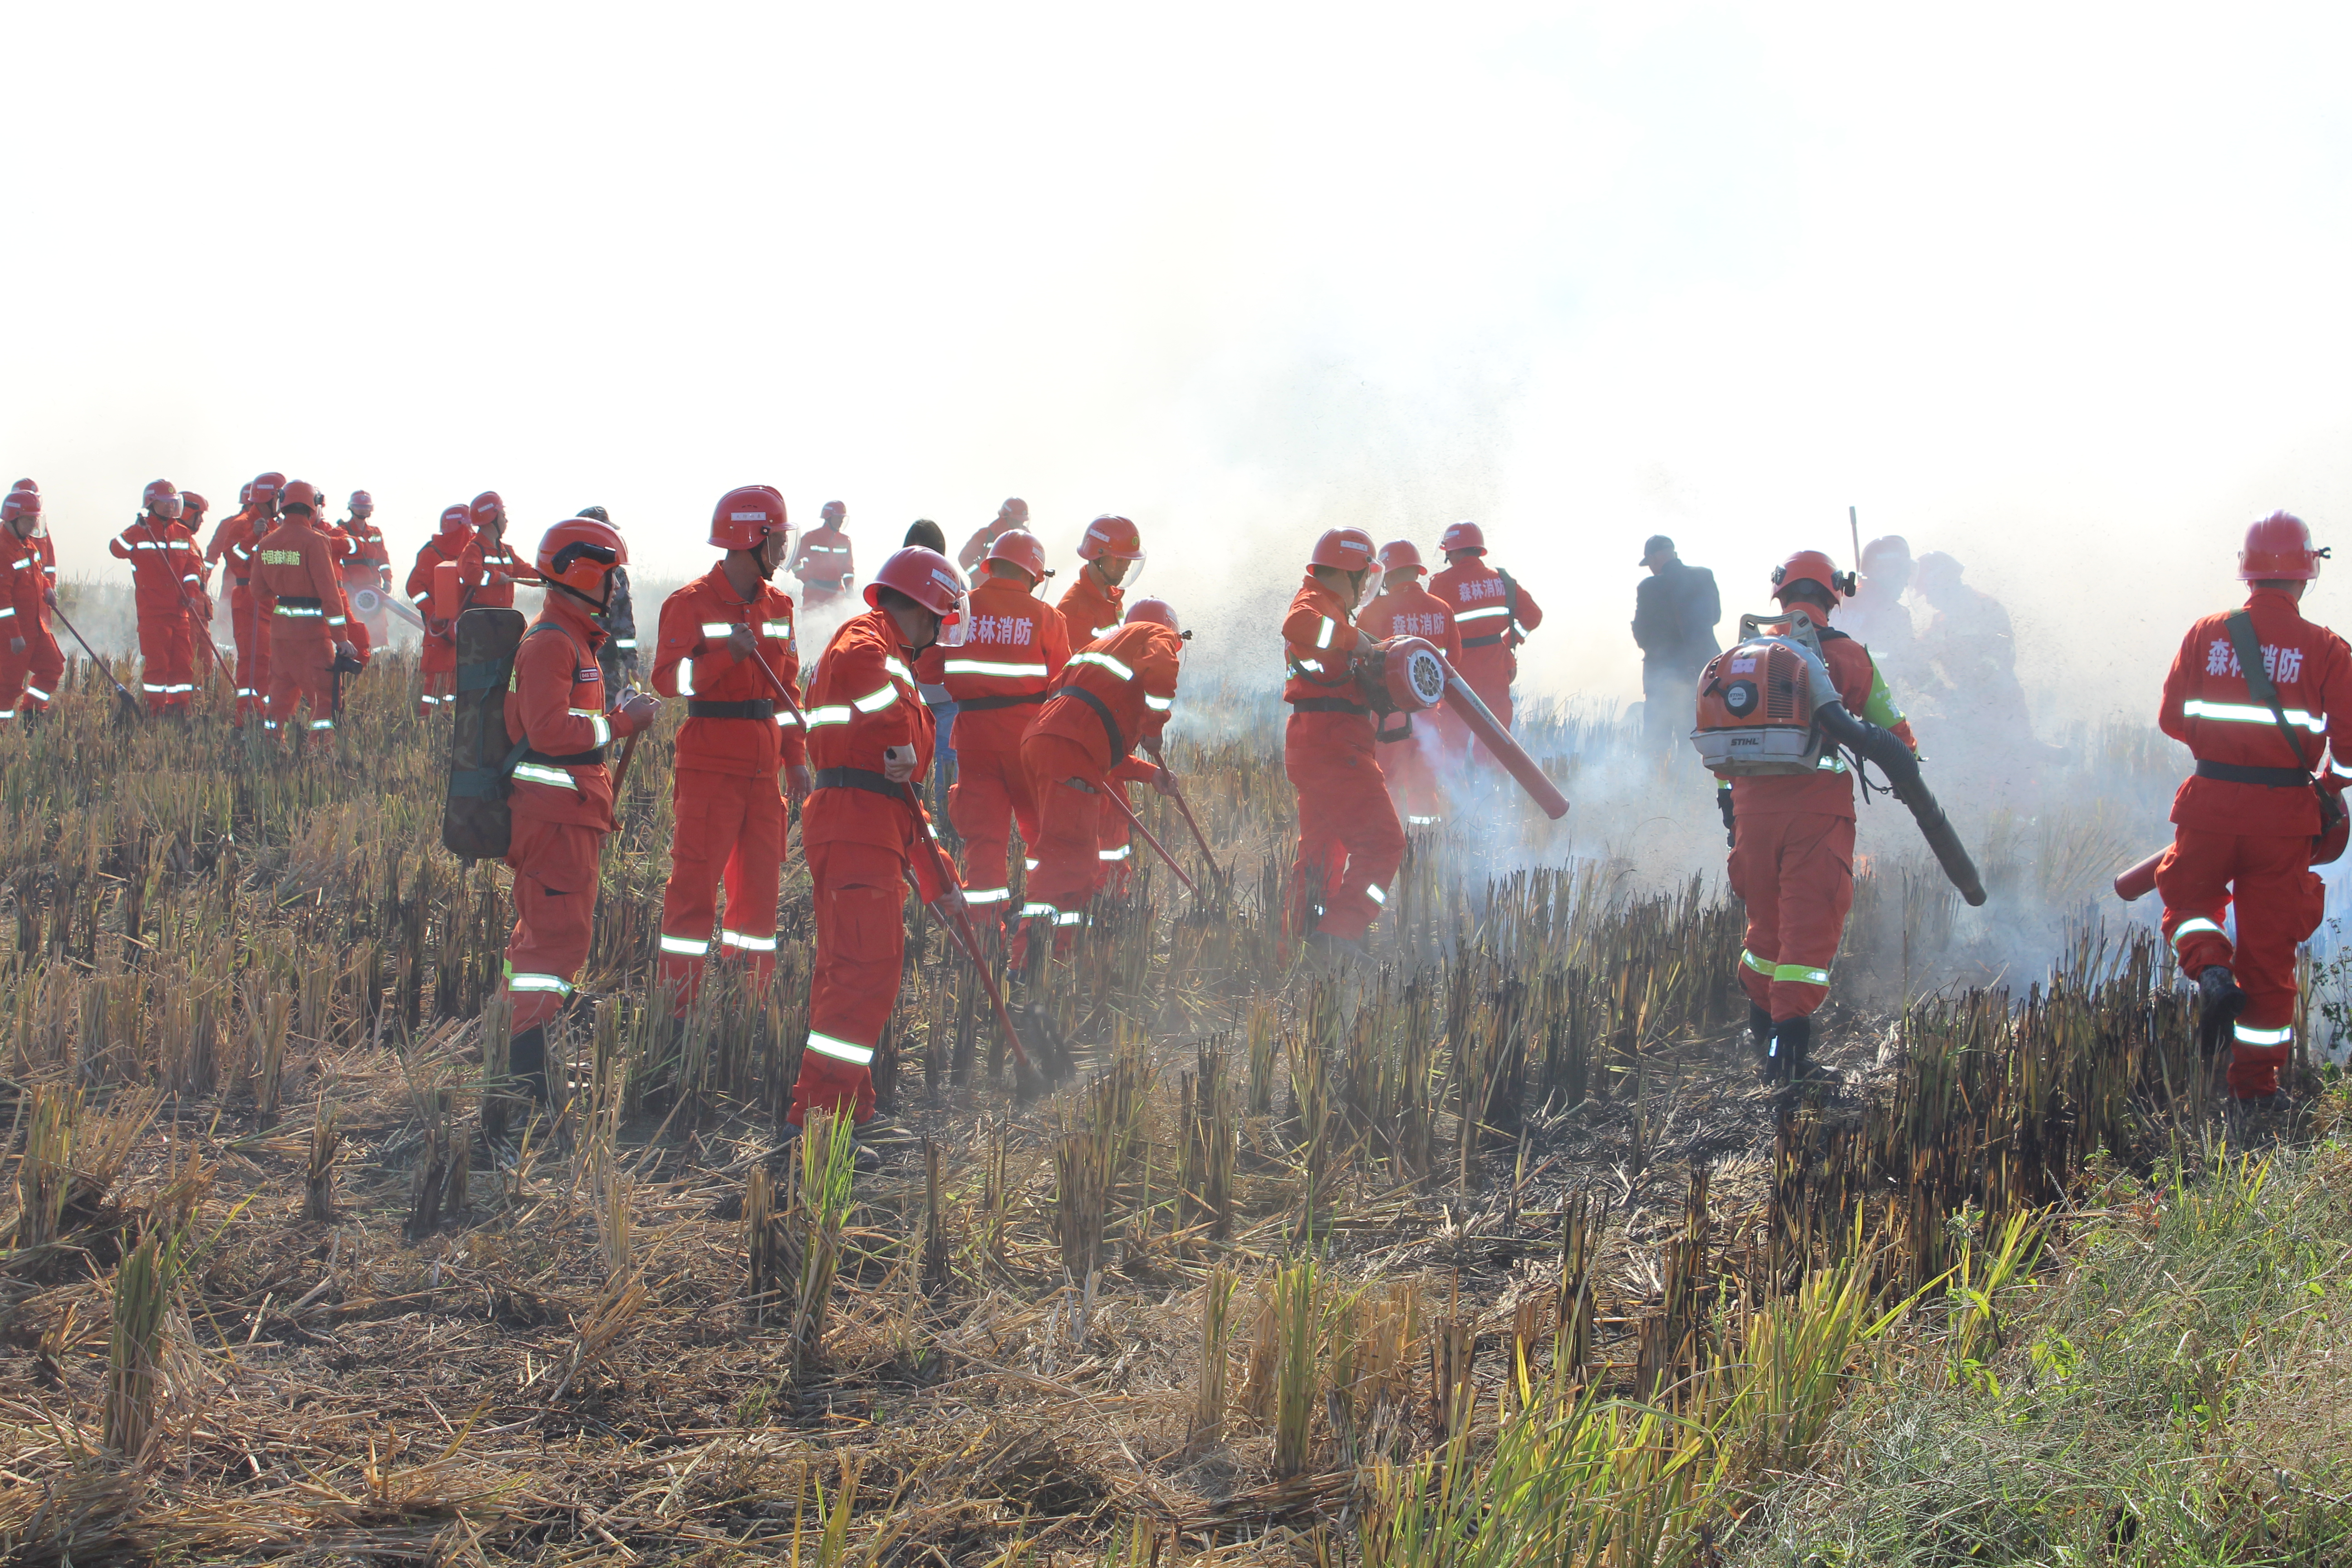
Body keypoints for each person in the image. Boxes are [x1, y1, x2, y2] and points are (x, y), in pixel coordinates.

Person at [2156, 512, 2352, 1116]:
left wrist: (2222, 754)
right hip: (2286, 819)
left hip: (2211, 803)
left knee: (2188, 903)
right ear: (2306, 574)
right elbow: (2349, 744)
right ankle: (2256, 1093)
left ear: (2247, 571)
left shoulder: (2206, 634)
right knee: (2269, 957)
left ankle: (2211, 967)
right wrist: (2332, 783)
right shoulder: (2326, 649)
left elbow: (2172, 719)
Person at [788, 546, 971, 1138]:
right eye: (942, 617)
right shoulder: (868, 643)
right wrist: (899, 737)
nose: (941, 630)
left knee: (852, 976)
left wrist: (940, 878)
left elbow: (904, 799)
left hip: (867, 823)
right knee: (864, 976)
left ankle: (849, 1109)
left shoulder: (890, 655)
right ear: (926, 608)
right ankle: (818, 1122)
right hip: (854, 823)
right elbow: (888, 746)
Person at [1728, 550, 1918, 1081]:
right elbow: (1890, 727)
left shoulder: (1744, 657)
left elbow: (1722, 734)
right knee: (1809, 925)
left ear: (1780, 595)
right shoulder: (1846, 654)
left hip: (1749, 810)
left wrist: (1731, 805)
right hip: (1814, 811)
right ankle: (1790, 1055)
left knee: (1764, 921)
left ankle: (1761, 1031)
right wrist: (1909, 764)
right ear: (1834, 594)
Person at [490, 514, 660, 1100]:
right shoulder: (550, 644)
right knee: (554, 944)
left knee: (544, 938)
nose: (617, 589)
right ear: (584, 574)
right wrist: (620, 723)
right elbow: (548, 729)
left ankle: (522, 1055)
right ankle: (527, 1081)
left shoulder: (572, 641)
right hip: (553, 820)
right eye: (611, 577)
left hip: (567, 817)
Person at [650, 486, 810, 1011]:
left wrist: (796, 760)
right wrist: (725, 659)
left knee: (759, 900)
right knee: (694, 892)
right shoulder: (691, 603)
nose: (784, 552)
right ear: (752, 539)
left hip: (764, 769)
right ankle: (679, 1010)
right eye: (778, 540)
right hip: (710, 764)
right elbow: (669, 681)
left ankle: (750, 1004)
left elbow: (788, 693)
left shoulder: (780, 607)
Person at [1014, 598, 1182, 970]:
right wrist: (1154, 728)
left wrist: (1151, 774)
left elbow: (1091, 737)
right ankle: (1031, 963)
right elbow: (1161, 673)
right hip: (1070, 748)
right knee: (1068, 860)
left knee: (1067, 853)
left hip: (1042, 742)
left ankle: (1056, 953)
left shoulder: (1099, 649)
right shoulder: (1156, 635)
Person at [1282, 528, 1407, 961]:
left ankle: (1300, 943)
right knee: (1384, 845)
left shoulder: (1330, 610)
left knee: (1321, 853)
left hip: (1316, 743)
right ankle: (1342, 934)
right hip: (1335, 746)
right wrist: (1360, 644)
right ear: (1352, 573)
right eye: (1364, 579)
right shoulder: (1313, 605)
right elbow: (1296, 626)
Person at [938, 529, 1070, 920]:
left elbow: (931, 667)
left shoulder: (960, 609)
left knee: (983, 842)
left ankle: (983, 934)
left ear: (991, 566)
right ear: (1033, 574)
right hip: (1028, 741)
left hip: (973, 739)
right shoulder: (1048, 617)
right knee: (1041, 835)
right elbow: (1063, 686)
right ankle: (1039, 923)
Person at [1057, 515, 1148, 888]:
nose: (1126, 566)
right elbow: (1079, 678)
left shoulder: (1110, 602)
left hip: (1111, 729)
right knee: (1098, 821)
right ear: (1096, 556)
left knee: (1116, 819)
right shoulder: (1075, 610)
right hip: (1091, 731)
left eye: (1130, 560)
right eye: (1119, 559)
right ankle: (1097, 895)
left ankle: (1115, 893)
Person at [1357, 539, 1459, 825]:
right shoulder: (1442, 609)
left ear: (1387, 575)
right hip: (1427, 717)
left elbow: (1356, 663)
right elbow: (1454, 662)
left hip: (1388, 719)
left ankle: (1389, 839)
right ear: (1417, 571)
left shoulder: (1375, 611)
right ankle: (1424, 845)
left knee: (1386, 782)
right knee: (1424, 783)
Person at [253, 482, 359, 740]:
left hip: (280, 634)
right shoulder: (315, 540)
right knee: (325, 699)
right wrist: (341, 638)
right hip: (312, 635)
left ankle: (271, 748)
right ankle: (320, 754)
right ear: (313, 507)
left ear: (282, 504)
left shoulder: (267, 542)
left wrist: (285, 589)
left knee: (279, 697)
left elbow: (258, 592)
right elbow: (329, 594)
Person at [1427, 520, 1544, 748]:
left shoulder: (1440, 585)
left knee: (1451, 746)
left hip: (1457, 675)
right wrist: (1509, 640)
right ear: (1478, 550)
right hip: (1496, 671)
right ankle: (1496, 782)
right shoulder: (1503, 580)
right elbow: (1534, 616)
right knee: (1496, 746)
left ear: (1453, 550)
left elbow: (1433, 633)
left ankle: (1455, 784)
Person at [110, 480, 212, 716]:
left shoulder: (183, 533)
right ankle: (156, 709)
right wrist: (137, 530)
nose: (169, 509)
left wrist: (190, 593)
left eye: (172, 504)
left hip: (180, 612)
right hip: (153, 612)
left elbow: (193, 567)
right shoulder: (139, 531)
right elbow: (117, 549)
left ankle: (180, 707)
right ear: (151, 504)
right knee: (158, 665)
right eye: (164, 504)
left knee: (183, 664)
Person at [1912, 551, 2027, 732]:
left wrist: (1975, 687)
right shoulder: (1942, 620)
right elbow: (1920, 651)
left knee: (2012, 755)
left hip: (2003, 707)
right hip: (1969, 707)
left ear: (1943, 584)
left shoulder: (1986, 608)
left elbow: (2002, 655)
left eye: (1929, 593)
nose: (1928, 601)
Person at [1630, 534, 1720, 754]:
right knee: (1695, 738)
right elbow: (1714, 617)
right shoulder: (1704, 576)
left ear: (1655, 557)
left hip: (1663, 674)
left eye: (1650, 562)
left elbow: (1642, 632)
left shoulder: (1649, 588)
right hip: (1703, 673)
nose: (1651, 568)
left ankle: (1658, 786)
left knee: (1656, 741)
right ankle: (1691, 785)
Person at [207, 472, 284, 725]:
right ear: (269, 497)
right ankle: (246, 719)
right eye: (280, 497)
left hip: (273, 600)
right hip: (250, 600)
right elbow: (235, 558)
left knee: (274, 661)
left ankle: (267, 717)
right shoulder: (241, 524)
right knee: (254, 661)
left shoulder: (276, 526)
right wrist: (254, 535)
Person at [406, 504, 484, 712]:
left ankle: (451, 722)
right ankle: (427, 725)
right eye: (468, 527)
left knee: (457, 680)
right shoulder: (431, 554)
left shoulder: (472, 554)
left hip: (463, 629)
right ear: (458, 526)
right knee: (434, 682)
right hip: (438, 631)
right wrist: (434, 613)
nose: (472, 533)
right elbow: (414, 587)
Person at [0, 490, 63, 727]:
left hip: (37, 626)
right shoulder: (3, 550)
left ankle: (32, 715)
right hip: (12, 633)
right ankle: (3, 736)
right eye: (29, 520)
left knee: (52, 669)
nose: (34, 524)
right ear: (14, 518)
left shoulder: (28, 544)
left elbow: (37, 575)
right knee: (7, 687)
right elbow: (2, 601)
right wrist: (15, 636)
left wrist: (47, 588)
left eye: (36, 519)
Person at [1837, 535, 1916, 681]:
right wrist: (1945, 692)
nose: (1905, 583)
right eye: (1904, 575)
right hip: (1871, 694)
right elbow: (1913, 666)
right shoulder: (1894, 613)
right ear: (1890, 572)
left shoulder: (1838, 602)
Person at [578, 507, 639, 691]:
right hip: (602, 663)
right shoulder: (615, 573)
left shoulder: (565, 569)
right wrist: (631, 664)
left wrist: (630, 662)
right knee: (606, 714)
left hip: (576, 658)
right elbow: (623, 621)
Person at [338, 491, 394, 652]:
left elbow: (383, 559)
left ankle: (375, 667)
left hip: (374, 592)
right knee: (356, 631)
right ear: (351, 508)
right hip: (353, 593)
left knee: (379, 635)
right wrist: (347, 585)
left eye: (366, 507)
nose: (362, 510)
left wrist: (388, 580)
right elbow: (337, 563)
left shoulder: (375, 532)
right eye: (359, 507)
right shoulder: (342, 532)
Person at [789, 500, 855, 611]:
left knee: (839, 626)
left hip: (836, 595)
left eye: (842, 519)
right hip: (814, 593)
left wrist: (850, 587)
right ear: (828, 518)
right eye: (838, 518)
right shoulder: (810, 538)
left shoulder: (845, 541)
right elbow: (794, 561)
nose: (841, 522)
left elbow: (848, 569)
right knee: (812, 626)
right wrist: (806, 580)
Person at [957, 497, 1030, 573]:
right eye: (1016, 521)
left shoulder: (1027, 541)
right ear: (1005, 516)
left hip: (1013, 584)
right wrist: (980, 578)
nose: (1020, 524)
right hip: (986, 584)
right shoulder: (985, 535)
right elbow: (965, 557)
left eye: (1022, 521)